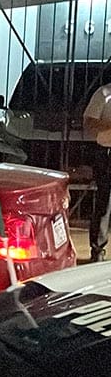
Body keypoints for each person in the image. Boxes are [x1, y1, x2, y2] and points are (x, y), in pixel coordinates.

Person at [83, 83, 111, 262]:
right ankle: (97, 250)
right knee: (105, 201)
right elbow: (89, 122)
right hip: (107, 151)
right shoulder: (104, 93)